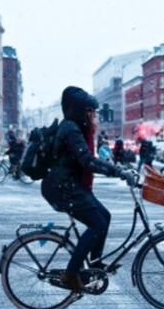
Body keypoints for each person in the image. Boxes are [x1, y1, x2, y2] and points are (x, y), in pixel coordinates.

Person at [41, 86, 135, 292]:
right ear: (81, 111)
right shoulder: (71, 130)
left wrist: (119, 169)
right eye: (91, 111)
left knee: (105, 216)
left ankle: (95, 263)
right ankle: (71, 273)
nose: (95, 115)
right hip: (63, 187)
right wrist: (117, 171)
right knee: (97, 225)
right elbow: (87, 161)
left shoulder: (74, 127)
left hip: (67, 185)